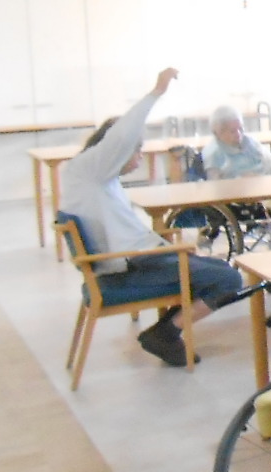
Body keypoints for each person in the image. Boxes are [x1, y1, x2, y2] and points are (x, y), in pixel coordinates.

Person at [60, 68, 246, 366]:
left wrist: (168, 247)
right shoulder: (91, 171)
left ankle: (165, 332)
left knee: (216, 268)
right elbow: (122, 135)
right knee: (229, 278)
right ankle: (166, 332)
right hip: (127, 268)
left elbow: (132, 233)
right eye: (137, 152)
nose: (139, 159)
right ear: (116, 150)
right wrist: (156, 92)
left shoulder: (93, 178)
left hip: (132, 259)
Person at [203, 104, 271, 223]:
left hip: (270, 186)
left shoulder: (249, 142)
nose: (239, 134)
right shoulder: (213, 153)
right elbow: (215, 187)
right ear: (218, 132)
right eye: (233, 131)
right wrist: (240, 181)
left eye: (241, 128)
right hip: (250, 201)